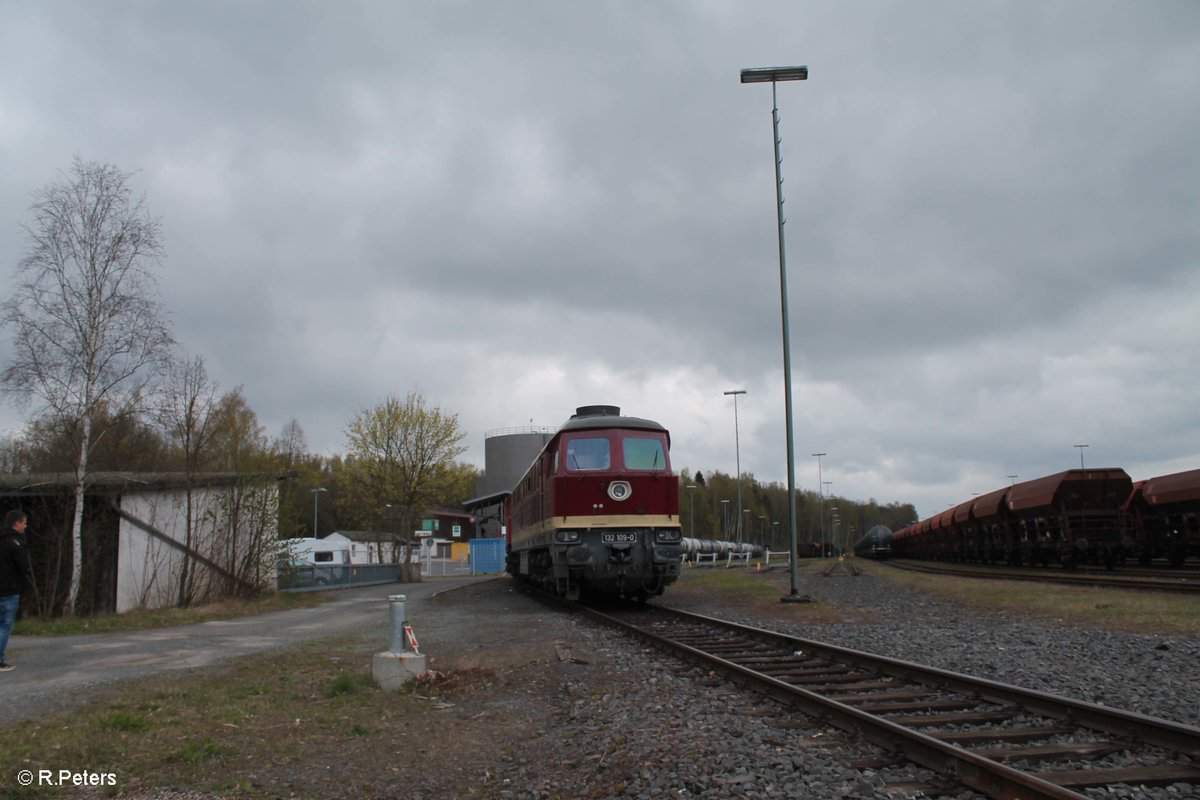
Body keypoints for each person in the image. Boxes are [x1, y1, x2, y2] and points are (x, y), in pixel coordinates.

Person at [0, 509, 32, 671]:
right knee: (5, 625)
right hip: (8, 591)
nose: (25, 526)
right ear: (17, 523)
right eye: (24, 523)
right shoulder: (16, 543)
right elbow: (23, 567)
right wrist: (23, 586)